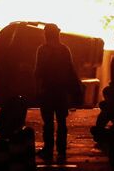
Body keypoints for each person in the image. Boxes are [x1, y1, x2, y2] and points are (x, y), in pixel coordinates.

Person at [34, 24, 81, 162]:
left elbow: (38, 72)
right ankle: (61, 150)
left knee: (48, 122)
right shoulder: (64, 49)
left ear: (46, 34)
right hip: (61, 91)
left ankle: (48, 150)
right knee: (61, 122)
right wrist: (73, 91)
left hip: (47, 90)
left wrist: (37, 89)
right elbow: (71, 70)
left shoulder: (42, 50)